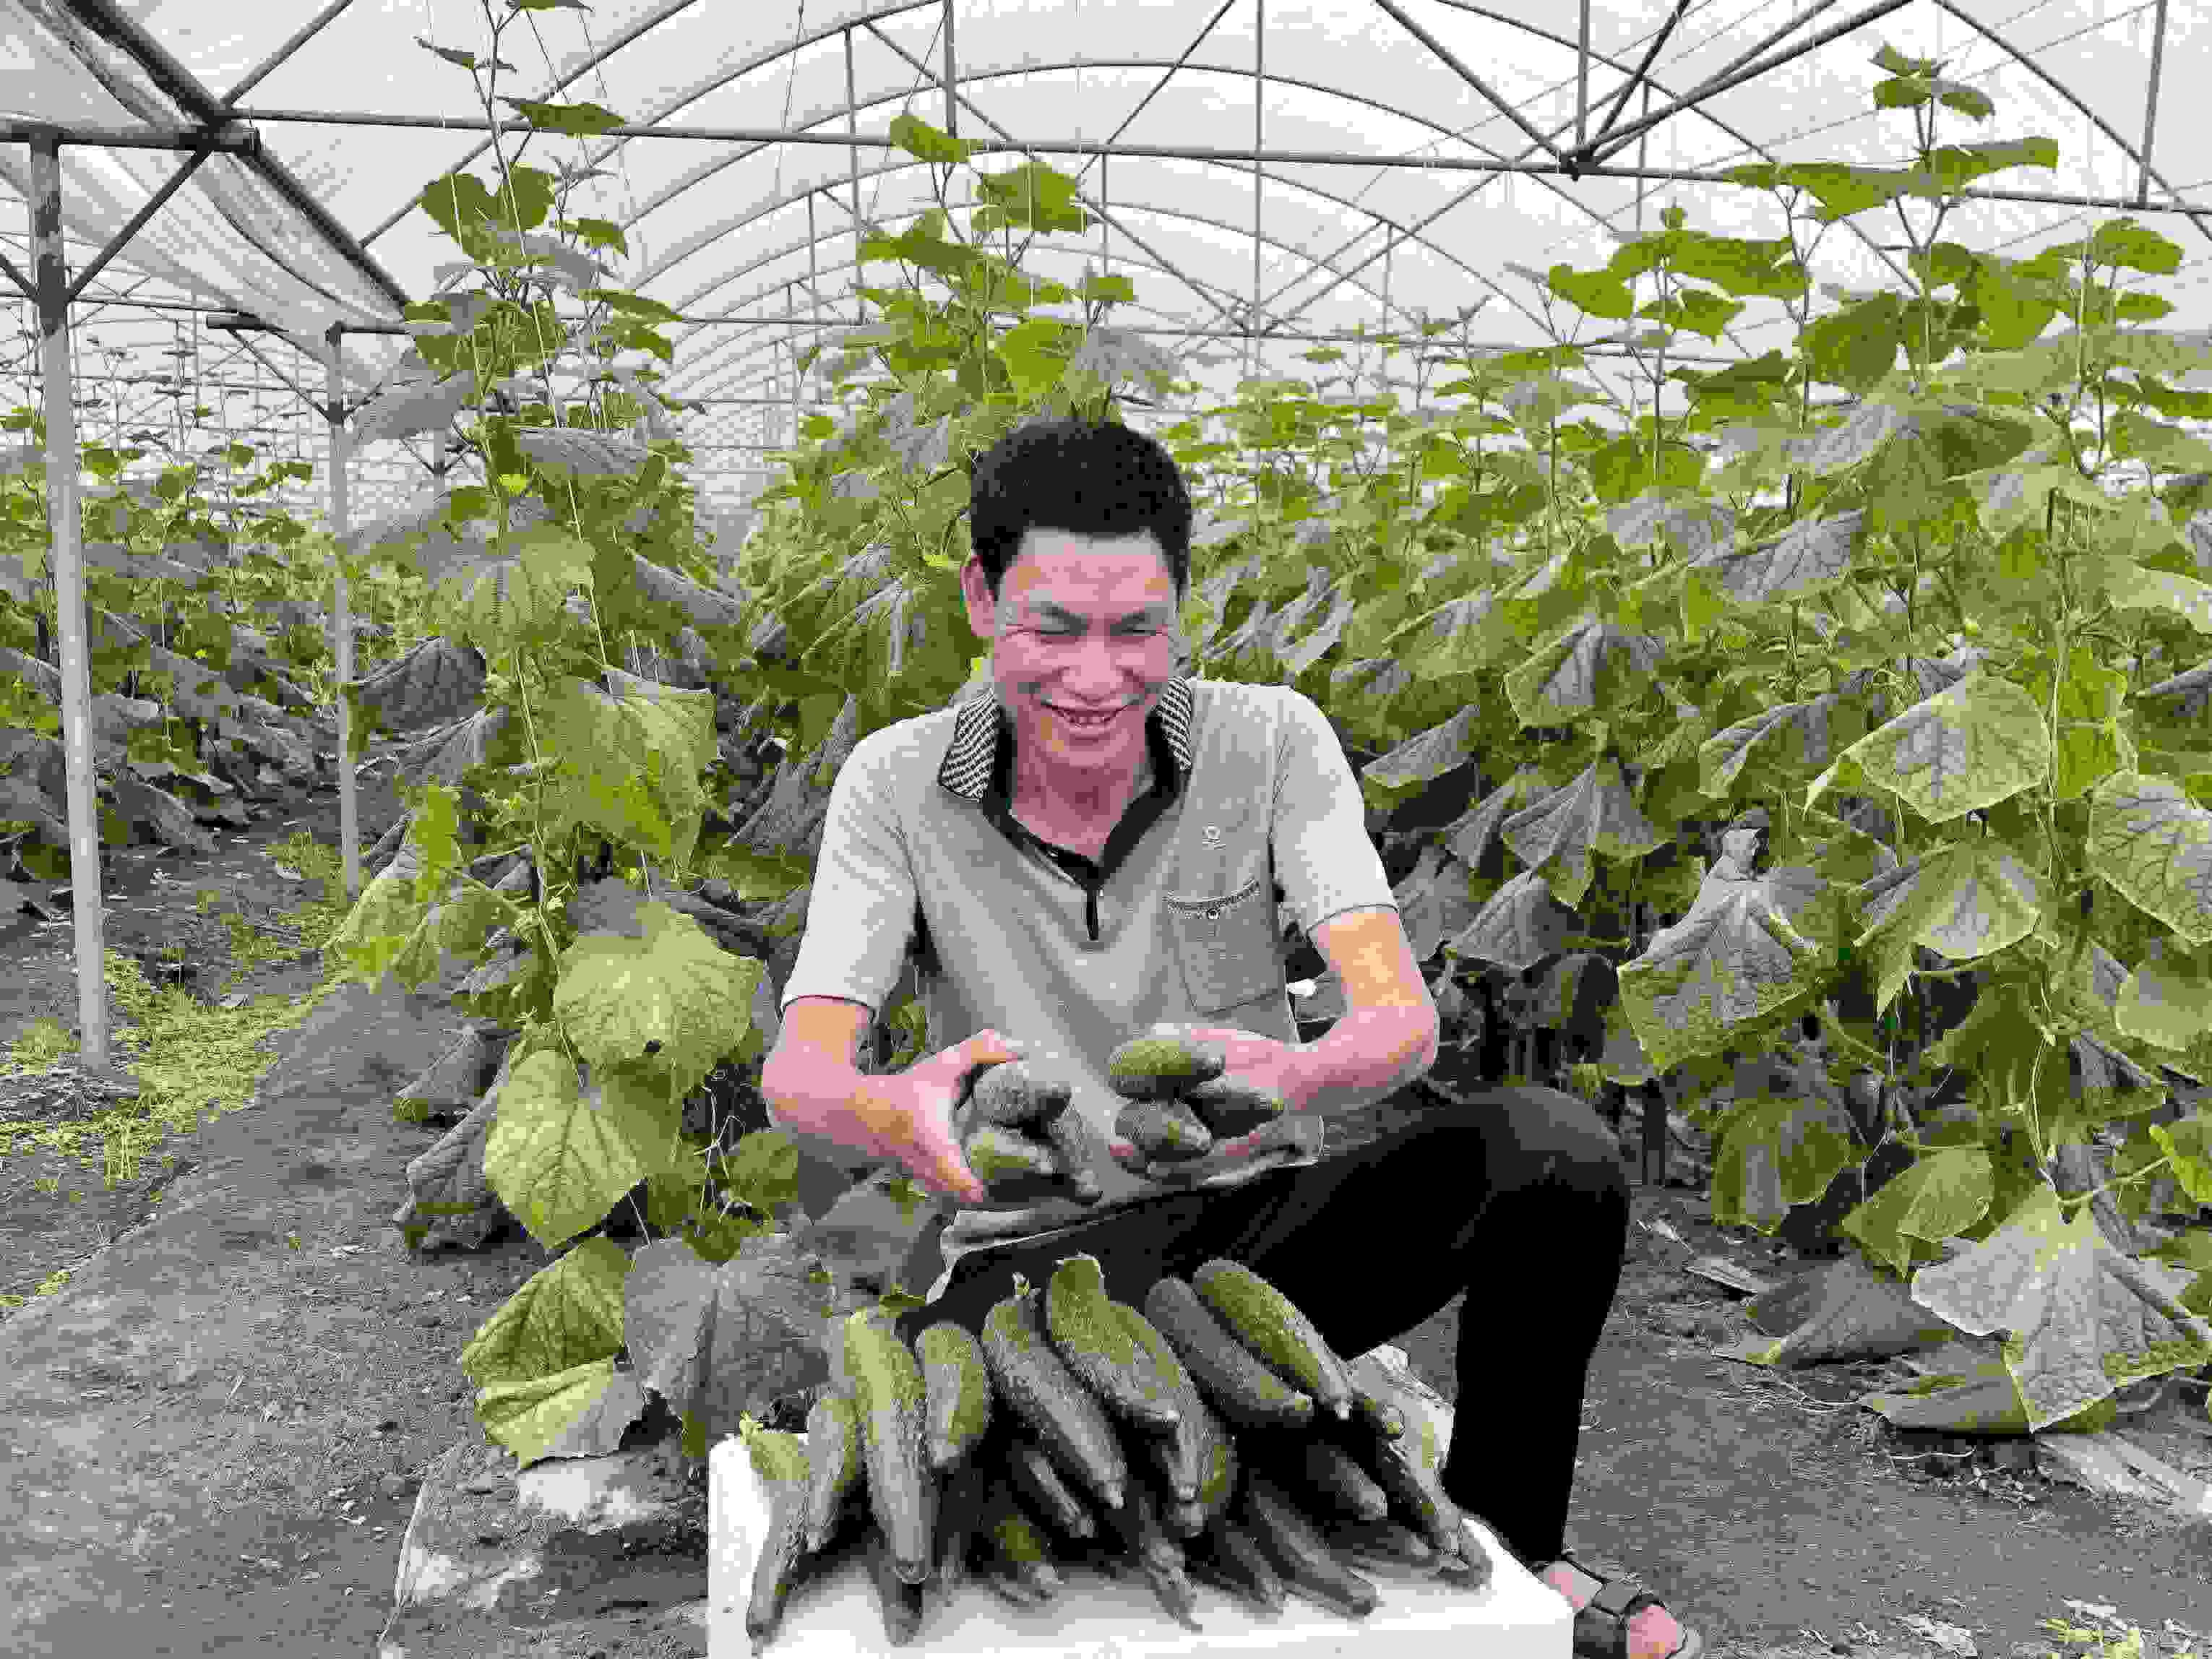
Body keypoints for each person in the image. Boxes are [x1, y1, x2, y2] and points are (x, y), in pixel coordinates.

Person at [759, 417, 1698, 1659]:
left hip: (1259, 1242)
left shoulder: (1271, 742)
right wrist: (886, 1109)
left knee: (1553, 1154)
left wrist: (1305, 1073)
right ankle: (1225, 1495)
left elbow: (1399, 1019)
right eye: (1053, 629)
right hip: (1032, 1270)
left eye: (1136, 631)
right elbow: (801, 1073)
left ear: (1179, 612)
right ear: (983, 601)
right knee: (1055, 1472)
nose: (1097, 676)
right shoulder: (895, 783)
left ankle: (1515, 1548)